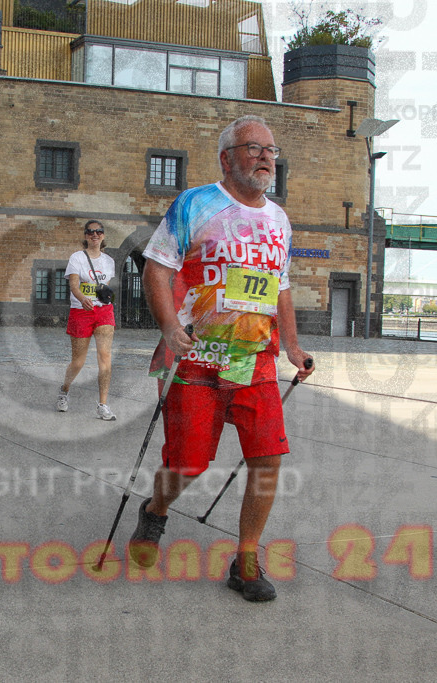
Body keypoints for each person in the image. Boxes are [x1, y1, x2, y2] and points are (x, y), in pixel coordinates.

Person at [129, 115, 314, 602]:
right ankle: (155, 510)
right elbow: (156, 268)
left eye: (271, 150)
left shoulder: (279, 219)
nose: (265, 157)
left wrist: (292, 347)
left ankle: (247, 559)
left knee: (267, 459)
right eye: (254, 148)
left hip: (252, 360)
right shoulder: (195, 203)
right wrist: (169, 327)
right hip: (196, 358)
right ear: (227, 157)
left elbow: (282, 288)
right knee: (188, 465)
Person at [55, 220, 118, 420]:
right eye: (90, 232)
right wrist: (83, 300)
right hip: (80, 311)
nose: (95, 235)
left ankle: (103, 404)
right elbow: (74, 285)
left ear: (103, 236)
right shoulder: (77, 258)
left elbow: (103, 287)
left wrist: (103, 299)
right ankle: (64, 390)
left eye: (98, 231)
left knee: (105, 357)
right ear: (85, 236)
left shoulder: (109, 261)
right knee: (78, 361)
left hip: (104, 311)